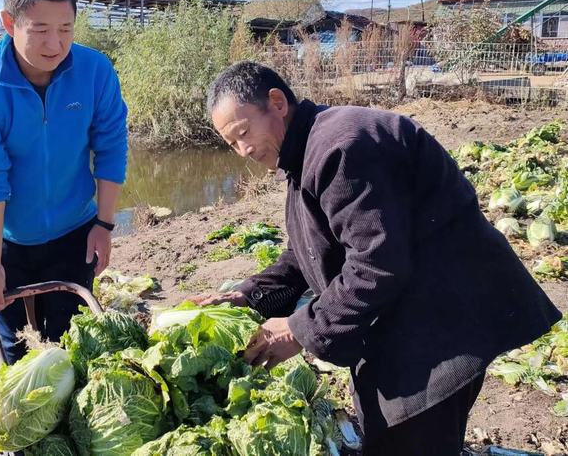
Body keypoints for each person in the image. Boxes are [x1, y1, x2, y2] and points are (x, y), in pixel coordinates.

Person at [191, 61, 561, 456]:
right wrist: (249, 295)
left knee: (412, 441)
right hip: (412, 311)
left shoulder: (342, 147)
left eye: (244, 132)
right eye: (232, 143)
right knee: (385, 431)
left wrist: (298, 330)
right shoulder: (307, 151)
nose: (244, 150)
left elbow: (377, 264)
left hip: (446, 320)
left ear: (277, 103)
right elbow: (310, 250)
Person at [0, 0, 127, 364]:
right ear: (9, 23)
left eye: (66, 29)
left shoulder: (95, 71)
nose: (55, 44)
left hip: (74, 229)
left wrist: (104, 224)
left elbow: (112, 146)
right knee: (13, 347)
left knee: (69, 344)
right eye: (40, 29)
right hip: (7, 237)